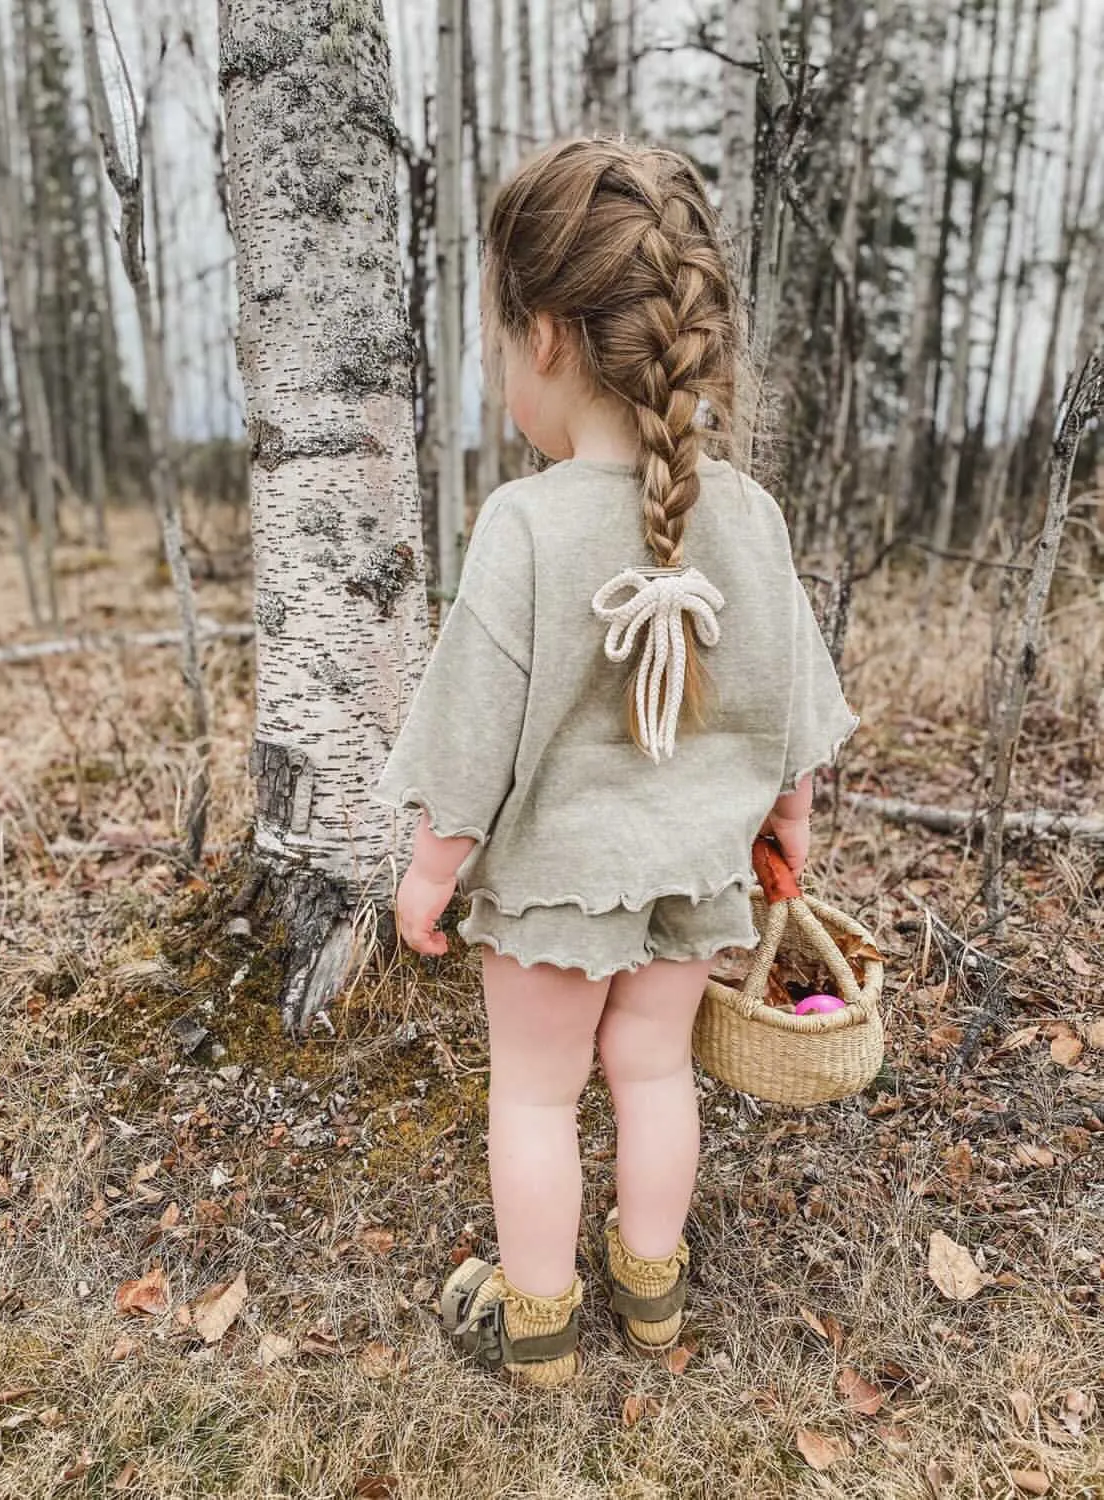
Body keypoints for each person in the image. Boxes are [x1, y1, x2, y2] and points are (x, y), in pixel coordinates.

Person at [374, 138, 858, 1388]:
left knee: (534, 1097)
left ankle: (537, 1324)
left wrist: (431, 872)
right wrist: (787, 821)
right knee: (651, 1075)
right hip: (695, 875)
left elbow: (471, 727)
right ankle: (652, 1290)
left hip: (548, 888)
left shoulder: (526, 525)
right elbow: (786, 701)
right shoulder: (744, 515)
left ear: (541, 336)